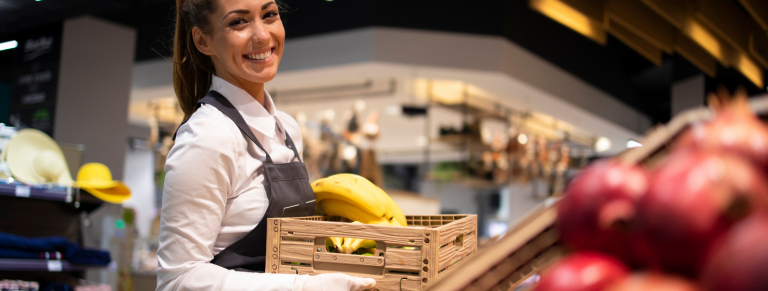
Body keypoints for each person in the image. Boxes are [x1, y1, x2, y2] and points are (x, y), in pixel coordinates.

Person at [156, 0, 377, 290]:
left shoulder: (287, 130)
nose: (261, 35)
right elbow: (176, 280)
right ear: (202, 40)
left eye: (269, 15)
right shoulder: (208, 137)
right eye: (239, 22)